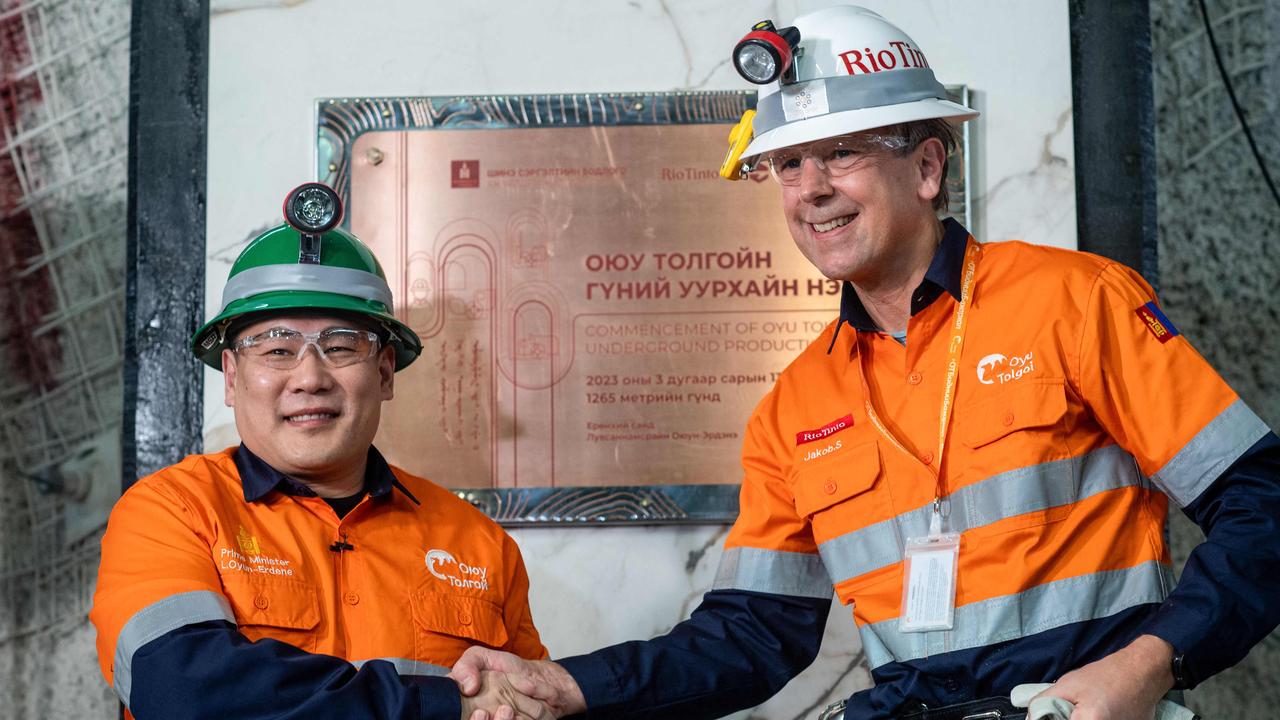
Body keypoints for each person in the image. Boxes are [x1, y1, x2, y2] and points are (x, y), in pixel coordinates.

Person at [450, 6, 1280, 720]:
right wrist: (568, 685)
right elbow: (750, 633)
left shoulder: (1075, 300)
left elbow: (1263, 501)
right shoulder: (795, 405)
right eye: (788, 163)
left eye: (841, 153)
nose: (811, 188)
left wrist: (1150, 664)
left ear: (925, 166)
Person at [91, 183, 552, 720]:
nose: (310, 378)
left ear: (383, 373)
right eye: (278, 349)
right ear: (233, 378)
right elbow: (184, 693)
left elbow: (529, 704)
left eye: (339, 346)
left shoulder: (479, 545)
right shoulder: (172, 513)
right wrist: (443, 702)